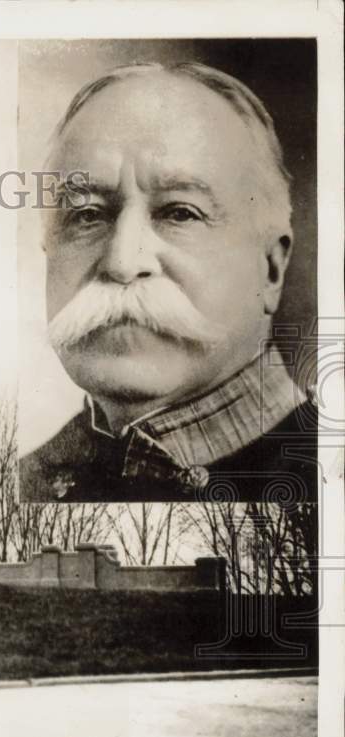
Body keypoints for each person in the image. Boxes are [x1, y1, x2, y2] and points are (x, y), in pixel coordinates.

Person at [19, 62, 317, 503]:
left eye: (180, 212)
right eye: (87, 215)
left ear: (271, 269)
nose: (122, 263)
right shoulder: (28, 481)